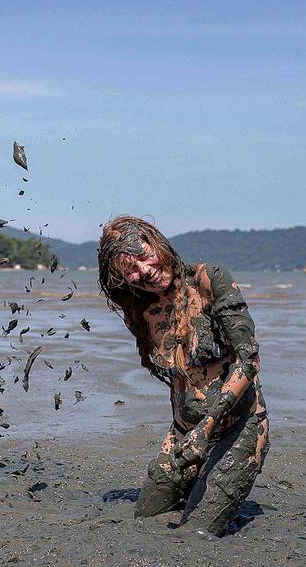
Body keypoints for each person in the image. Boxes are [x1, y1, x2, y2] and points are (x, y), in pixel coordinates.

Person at [98, 217, 268, 536]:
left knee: (196, 532)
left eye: (144, 256)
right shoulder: (141, 312)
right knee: (145, 521)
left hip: (236, 428)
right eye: (130, 269)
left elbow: (250, 359)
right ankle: (197, 482)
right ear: (122, 279)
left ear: (156, 242)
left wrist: (207, 428)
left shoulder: (207, 280)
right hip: (185, 434)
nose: (144, 270)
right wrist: (175, 438)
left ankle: (217, 486)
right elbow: (180, 377)